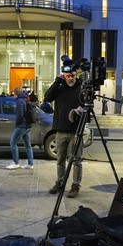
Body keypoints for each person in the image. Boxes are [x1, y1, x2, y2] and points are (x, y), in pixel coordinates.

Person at [44, 60, 84, 198]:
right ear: (64, 76)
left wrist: (79, 110)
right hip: (60, 130)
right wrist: (57, 81)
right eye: (68, 76)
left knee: (76, 160)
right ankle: (60, 182)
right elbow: (47, 97)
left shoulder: (81, 88)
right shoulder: (59, 87)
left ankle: (75, 186)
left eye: (73, 75)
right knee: (60, 160)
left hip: (76, 131)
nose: (71, 78)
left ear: (76, 75)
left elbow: (87, 105)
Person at [6, 87, 35, 170]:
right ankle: (30, 163)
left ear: (15, 93)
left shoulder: (19, 101)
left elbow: (20, 114)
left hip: (22, 125)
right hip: (28, 125)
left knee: (13, 142)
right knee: (28, 145)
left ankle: (16, 163)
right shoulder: (25, 99)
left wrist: (17, 123)